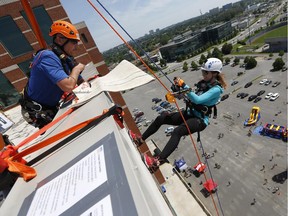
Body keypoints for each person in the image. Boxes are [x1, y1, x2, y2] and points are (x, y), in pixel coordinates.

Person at [141, 58, 227, 169]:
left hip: (199, 120)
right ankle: (141, 139)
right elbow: (190, 96)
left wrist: (184, 86)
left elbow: (198, 100)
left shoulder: (216, 89)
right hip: (189, 113)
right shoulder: (203, 84)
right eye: (203, 72)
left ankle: (157, 162)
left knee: (177, 132)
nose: (203, 74)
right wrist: (177, 93)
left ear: (215, 73)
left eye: (206, 72)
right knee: (162, 117)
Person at [20, 20, 86, 128]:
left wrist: (90, 90)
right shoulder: (47, 57)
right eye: (74, 42)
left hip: (49, 107)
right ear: (60, 39)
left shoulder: (65, 59)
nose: (76, 47)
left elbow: (80, 82)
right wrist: (77, 69)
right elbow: (68, 86)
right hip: (36, 112)